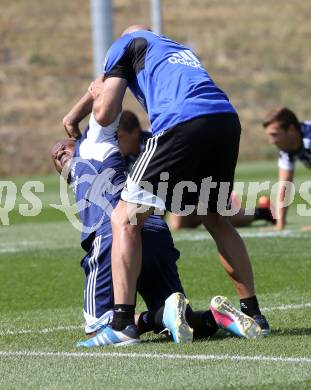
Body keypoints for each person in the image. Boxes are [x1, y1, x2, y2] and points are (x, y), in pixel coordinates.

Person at [67, 25, 270, 345]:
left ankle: (121, 323)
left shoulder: (123, 44)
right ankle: (254, 312)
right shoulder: (174, 48)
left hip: (181, 122)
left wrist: (83, 112)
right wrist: (73, 113)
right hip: (224, 120)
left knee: (124, 217)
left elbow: (105, 113)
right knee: (216, 218)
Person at [50, 108, 263, 347]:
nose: (58, 152)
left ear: (79, 141)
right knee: (185, 321)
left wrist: (71, 120)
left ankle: (157, 317)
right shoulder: (79, 176)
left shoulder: (94, 145)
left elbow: (103, 94)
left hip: (115, 235)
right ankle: (217, 319)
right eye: (55, 158)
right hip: (152, 232)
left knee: (98, 327)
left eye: (63, 147)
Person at [117, 110, 276, 230]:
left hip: (192, 181)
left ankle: (257, 212)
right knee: (186, 223)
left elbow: (164, 182)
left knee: (211, 218)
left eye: (120, 137)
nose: (117, 142)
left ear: (135, 133)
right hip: (176, 191)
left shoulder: (157, 143)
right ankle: (260, 211)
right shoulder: (121, 154)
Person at [263, 107, 311, 230]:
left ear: (291, 129)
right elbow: (284, 186)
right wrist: (280, 224)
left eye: (275, 135)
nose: (272, 141)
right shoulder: (286, 149)